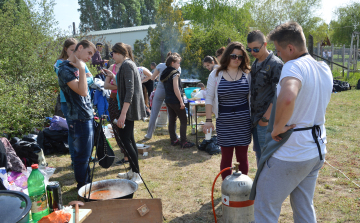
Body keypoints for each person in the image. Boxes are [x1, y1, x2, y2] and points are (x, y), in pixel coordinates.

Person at [251, 22, 333, 222]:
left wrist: (277, 127)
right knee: (304, 206)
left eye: (279, 51)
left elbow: (288, 97)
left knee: (265, 206)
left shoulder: (293, 66)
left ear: (290, 48)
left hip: (293, 151)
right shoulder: (323, 68)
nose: (278, 55)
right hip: (317, 149)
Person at [203, 42, 252, 180]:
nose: (237, 59)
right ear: (227, 56)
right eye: (233, 56)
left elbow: (252, 98)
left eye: (240, 57)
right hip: (224, 122)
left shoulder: (247, 74)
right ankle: (227, 187)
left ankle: (242, 188)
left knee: (243, 157)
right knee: (226, 158)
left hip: (243, 122)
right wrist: (208, 121)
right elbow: (209, 98)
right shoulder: (216, 74)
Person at [104, 42, 146, 182]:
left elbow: (130, 91)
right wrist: (113, 76)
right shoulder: (127, 65)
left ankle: (137, 175)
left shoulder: (127, 65)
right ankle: (133, 171)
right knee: (129, 140)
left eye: (113, 53)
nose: (112, 56)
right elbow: (123, 85)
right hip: (127, 108)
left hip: (128, 109)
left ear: (120, 52)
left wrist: (123, 114)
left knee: (125, 140)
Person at [57, 40, 96, 189]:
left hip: (87, 116)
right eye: (89, 53)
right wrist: (81, 69)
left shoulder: (77, 67)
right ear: (79, 48)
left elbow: (85, 90)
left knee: (87, 156)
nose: (90, 58)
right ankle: (83, 187)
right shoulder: (64, 69)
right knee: (81, 157)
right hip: (78, 119)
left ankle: (87, 186)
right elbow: (83, 91)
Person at [246, 30, 283, 165]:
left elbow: (278, 94)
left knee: (268, 158)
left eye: (256, 48)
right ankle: (261, 185)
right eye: (249, 49)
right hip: (255, 120)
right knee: (259, 156)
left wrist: (266, 118)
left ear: (265, 44)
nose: (252, 52)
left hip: (266, 122)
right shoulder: (255, 63)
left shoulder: (275, 64)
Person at [144, 52, 181, 140]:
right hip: (170, 92)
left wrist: (158, 76)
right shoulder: (178, 67)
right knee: (171, 114)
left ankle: (149, 135)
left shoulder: (160, 65)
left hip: (160, 90)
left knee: (154, 113)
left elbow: (152, 78)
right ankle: (174, 134)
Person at [161, 54, 195, 148]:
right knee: (183, 120)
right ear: (173, 63)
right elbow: (176, 88)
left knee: (172, 120)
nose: (179, 64)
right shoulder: (174, 73)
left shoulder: (164, 72)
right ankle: (184, 142)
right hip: (175, 100)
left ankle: (173, 140)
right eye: (178, 63)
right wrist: (181, 101)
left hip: (168, 100)